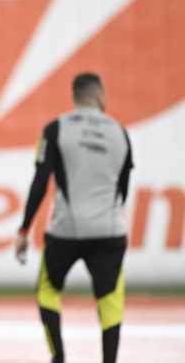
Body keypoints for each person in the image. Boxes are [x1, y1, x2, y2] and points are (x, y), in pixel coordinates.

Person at [15, 73, 134, 363]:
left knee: (47, 291)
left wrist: (24, 229)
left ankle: (59, 357)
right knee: (110, 301)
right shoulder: (120, 132)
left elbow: (41, 181)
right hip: (109, 231)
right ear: (100, 95)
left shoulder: (55, 129)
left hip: (66, 231)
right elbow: (123, 190)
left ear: (75, 96)